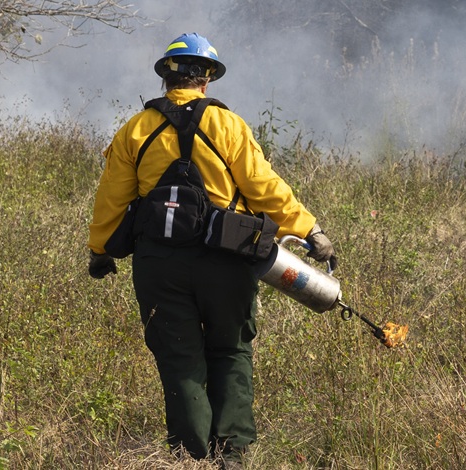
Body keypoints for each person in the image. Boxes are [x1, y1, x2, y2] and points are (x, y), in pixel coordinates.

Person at [85, 32, 335, 466]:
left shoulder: (135, 128)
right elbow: (264, 188)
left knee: (178, 354)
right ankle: (231, 454)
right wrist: (310, 230)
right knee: (230, 348)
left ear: (167, 76)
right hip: (228, 259)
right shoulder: (228, 124)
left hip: (158, 263)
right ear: (206, 80)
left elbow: (111, 197)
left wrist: (100, 251)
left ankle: (188, 454)